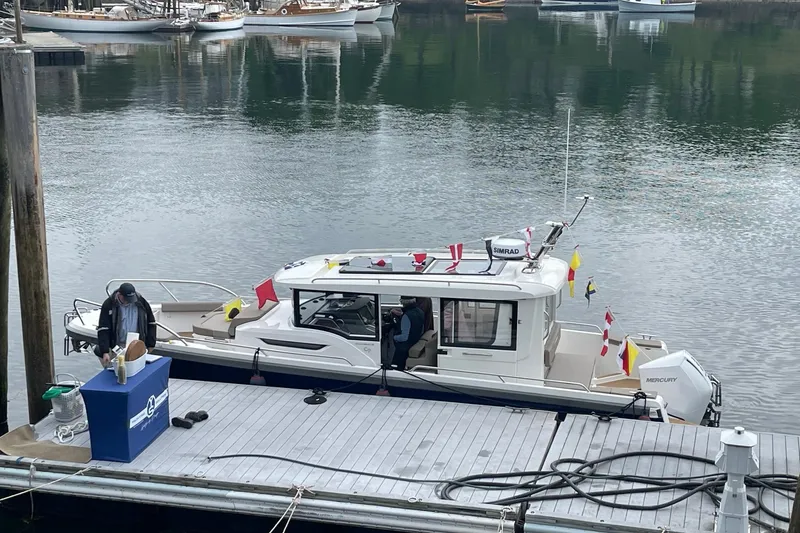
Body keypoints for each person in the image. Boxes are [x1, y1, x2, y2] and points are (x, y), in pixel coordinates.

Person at [95, 282, 157, 367]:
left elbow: (151, 322)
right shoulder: (109, 304)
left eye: (131, 299)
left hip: (137, 345)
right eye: (126, 299)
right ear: (119, 295)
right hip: (117, 346)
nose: (129, 301)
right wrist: (105, 351)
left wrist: (151, 343)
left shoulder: (141, 302)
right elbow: (103, 329)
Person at [391, 296, 425, 370]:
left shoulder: (406, 316)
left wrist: (393, 337)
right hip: (415, 341)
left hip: (404, 348)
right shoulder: (420, 312)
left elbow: (404, 337)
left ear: (403, 302)